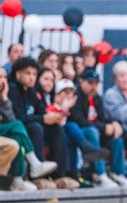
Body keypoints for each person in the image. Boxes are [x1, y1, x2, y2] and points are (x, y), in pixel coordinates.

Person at [9, 57, 78, 189]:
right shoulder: (13, 89)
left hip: (33, 125)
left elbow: (41, 112)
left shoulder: (33, 91)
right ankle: (37, 177)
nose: (31, 77)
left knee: (55, 128)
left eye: (34, 74)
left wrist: (53, 117)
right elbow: (16, 118)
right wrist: (43, 119)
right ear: (18, 74)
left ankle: (58, 175)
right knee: (36, 128)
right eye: (27, 73)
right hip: (19, 129)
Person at [70, 68, 127, 189]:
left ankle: (118, 173)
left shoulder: (97, 98)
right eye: (90, 83)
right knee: (92, 131)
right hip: (82, 134)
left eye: (96, 83)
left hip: (97, 133)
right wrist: (103, 127)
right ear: (81, 82)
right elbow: (79, 121)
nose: (93, 87)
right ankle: (100, 174)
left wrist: (114, 124)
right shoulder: (76, 97)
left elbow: (104, 118)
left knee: (117, 139)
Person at [0, 66, 57, 191]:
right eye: (0, 77)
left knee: (17, 138)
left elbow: (10, 118)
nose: (3, 81)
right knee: (17, 125)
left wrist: (4, 99)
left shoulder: (4, 95)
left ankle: (17, 180)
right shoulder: (16, 90)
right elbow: (14, 121)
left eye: (4, 77)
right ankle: (34, 163)